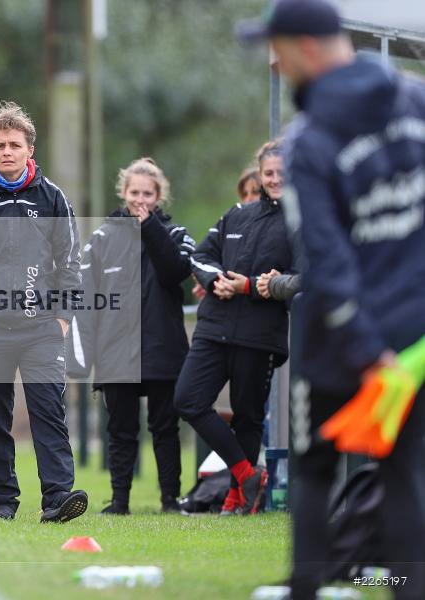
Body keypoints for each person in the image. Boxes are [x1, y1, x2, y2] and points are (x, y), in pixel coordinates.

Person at [240, 0, 425, 597]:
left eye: (280, 50)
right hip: (413, 340)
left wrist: (365, 348)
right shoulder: (418, 102)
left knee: (315, 469)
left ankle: (306, 589)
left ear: (309, 49)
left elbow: (325, 254)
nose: (274, 63)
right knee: (405, 476)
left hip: (341, 341)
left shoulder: (309, 139)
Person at [0, 101, 87, 523]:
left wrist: (62, 318)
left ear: (29, 150)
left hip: (42, 329)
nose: (7, 151)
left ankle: (58, 499)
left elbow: (70, 263)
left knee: (49, 411)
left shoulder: (52, 198)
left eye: (14, 144)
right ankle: (3, 502)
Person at [174, 139, 294, 515]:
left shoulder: (303, 222)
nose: (274, 179)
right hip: (214, 328)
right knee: (188, 400)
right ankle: (246, 473)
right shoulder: (236, 215)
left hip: (259, 336)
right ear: (260, 175)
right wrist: (215, 282)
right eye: (268, 173)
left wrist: (255, 285)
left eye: (281, 173)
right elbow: (201, 255)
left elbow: (303, 278)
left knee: (248, 417)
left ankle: (237, 497)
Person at [69, 158, 193, 515]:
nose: (140, 199)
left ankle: (170, 500)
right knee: (120, 431)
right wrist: (82, 357)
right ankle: (119, 502)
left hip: (163, 348)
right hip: (114, 352)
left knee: (165, 429)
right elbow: (85, 298)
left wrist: (150, 228)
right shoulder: (102, 240)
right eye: (134, 192)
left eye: (148, 194)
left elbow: (175, 274)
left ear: (159, 197)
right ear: (123, 193)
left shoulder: (176, 235)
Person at [191, 167, 261, 300]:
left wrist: (248, 285)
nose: (249, 199)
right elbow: (202, 256)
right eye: (244, 194)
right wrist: (214, 281)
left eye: (256, 192)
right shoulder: (230, 220)